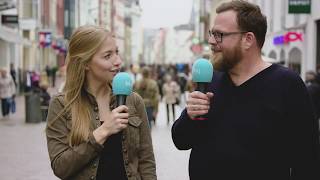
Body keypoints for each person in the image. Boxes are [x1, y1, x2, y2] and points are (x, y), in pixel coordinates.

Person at [171, 1, 319, 179]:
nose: (211, 41)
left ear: (248, 39)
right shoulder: (211, 79)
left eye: (219, 35)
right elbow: (181, 141)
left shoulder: (287, 84)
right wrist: (190, 116)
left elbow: (307, 160)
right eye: (212, 33)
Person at [46, 25, 156, 180]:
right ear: (85, 63)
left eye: (116, 52)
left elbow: (146, 161)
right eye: (107, 56)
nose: (118, 61)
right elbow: (60, 167)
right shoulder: (61, 104)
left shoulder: (133, 100)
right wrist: (103, 131)